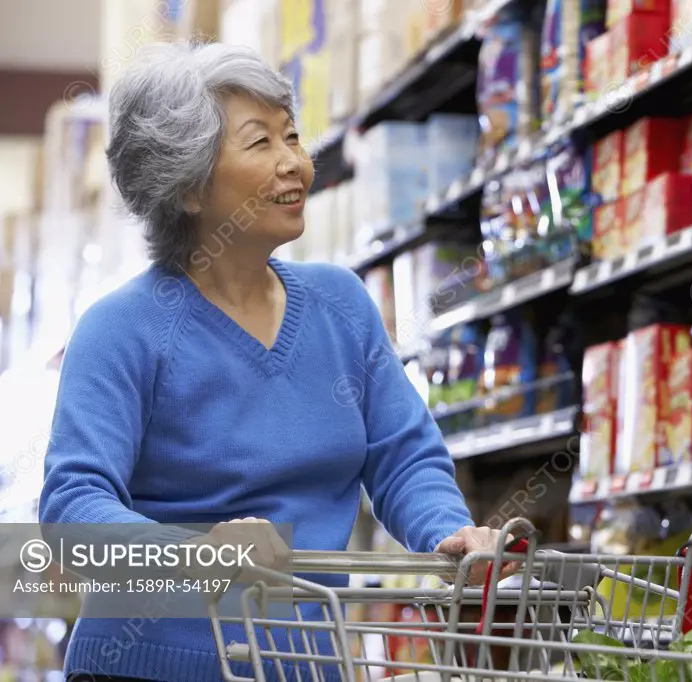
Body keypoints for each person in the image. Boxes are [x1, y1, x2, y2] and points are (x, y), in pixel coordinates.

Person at [39, 41, 513, 682]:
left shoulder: (340, 305)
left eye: (292, 136)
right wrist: (201, 556)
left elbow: (403, 456)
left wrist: (448, 532)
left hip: (302, 664)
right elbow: (73, 507)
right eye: (260, 144)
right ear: (187, 188)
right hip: (148, 667)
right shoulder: (121, 329)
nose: (294, 162)